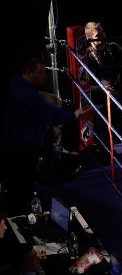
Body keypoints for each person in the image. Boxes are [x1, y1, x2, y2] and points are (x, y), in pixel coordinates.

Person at [1, 57, 85, 214]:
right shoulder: (26, 95)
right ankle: (19, 219)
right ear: (28, 72)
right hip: (22, 148)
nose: (44, 76)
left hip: (17, 145)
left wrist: (39, 93)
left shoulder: (17, 84)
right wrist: (73, 115)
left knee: (20, 184)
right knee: (21, 187)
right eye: (40, 72)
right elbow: (50, 113)